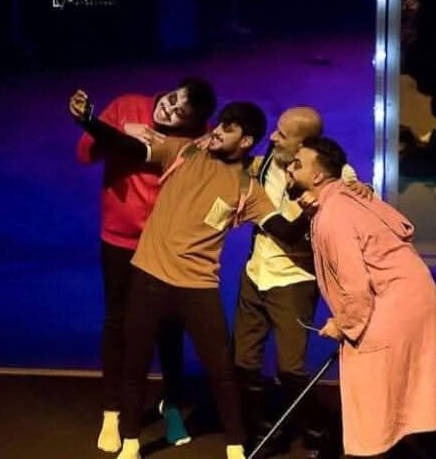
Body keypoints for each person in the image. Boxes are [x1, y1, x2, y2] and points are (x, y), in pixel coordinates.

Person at [70, 91, 316, 459]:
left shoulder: (248, 188)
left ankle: (236, 449)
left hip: (197, 287)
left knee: (222, 370)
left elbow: (284, 230)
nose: (217, 131)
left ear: (245, 140)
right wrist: (89, 121)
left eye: (228, 128)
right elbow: (127, 146)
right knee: (135, 362)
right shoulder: (182, 152)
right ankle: (131, 443)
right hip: (148, 277)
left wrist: (316, 205)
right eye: (219, 124)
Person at [285, 137, 436, 458]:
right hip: (413, 296)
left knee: (371, 404)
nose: (289, 169)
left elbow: (355, 285)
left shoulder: (334, 213)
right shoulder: (346, 198)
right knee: (396, 397)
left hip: (392, 303)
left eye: (297, 164)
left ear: (318, 176)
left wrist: (343, 324)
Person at [72, 78, 217, 452]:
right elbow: (85, 152)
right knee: (117, 322)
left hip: (165, 245)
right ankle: (111, 411)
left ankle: (172, 404)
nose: (169, 109)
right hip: (119, 240)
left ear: (191, 123)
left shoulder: (199, 138)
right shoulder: (126, 104)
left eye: (180, 113)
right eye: (172, 99)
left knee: (169, 327)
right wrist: (118, 127)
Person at [233, 106, 369, 458]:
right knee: (244, 362)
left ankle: (316, 428)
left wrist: (361, 190)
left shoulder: (333, 174)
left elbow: (353, 192)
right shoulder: (267, 161)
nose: (273, 137)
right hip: (256, 272)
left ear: (305, 143)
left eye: (282, 133)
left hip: (293, 278)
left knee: (290, 368)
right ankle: (264, 430)